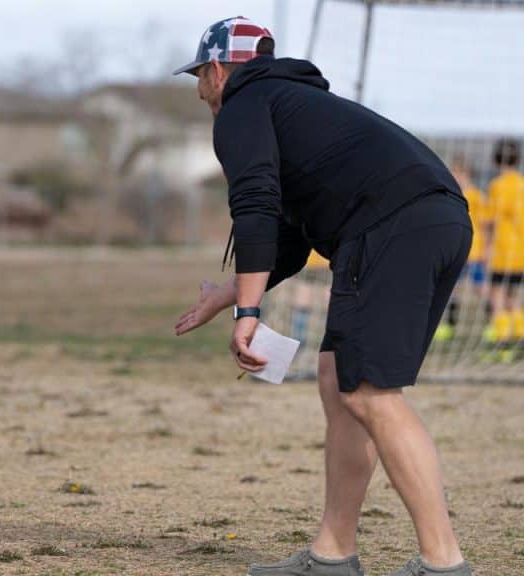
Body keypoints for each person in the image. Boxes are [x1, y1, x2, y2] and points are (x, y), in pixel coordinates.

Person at [172, 16, 472, 576]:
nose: (198, 90)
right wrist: (228, 293)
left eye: (198, 76)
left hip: (390, 228)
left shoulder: (242, 106)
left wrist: (249, 313)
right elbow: (288, 238)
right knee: (341, 381)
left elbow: (255, 206)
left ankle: (443, 563)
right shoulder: (298, 108)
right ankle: (332, 556)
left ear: (216, 71)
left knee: (370, 394)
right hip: (433, 219)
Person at [435, 158, 490, 343]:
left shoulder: (477, 196)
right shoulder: (451, 194)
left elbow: (484, 225)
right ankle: (448, 325)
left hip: (474, 251)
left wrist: (487, 249)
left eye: (458, 173)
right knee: (452, 289)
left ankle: (492, 323)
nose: (455, 176)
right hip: (457, 251)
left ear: (467, 174)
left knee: (481, 288)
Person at [482, 139, 524, 352]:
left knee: (496, 295)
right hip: (520, 253)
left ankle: (503, 341)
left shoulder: (497, 185)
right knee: (512, 296)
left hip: (503, 251)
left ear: (496, 160)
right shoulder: (522, 183)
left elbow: (492, 220)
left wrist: (487, 247)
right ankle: (519, 334)